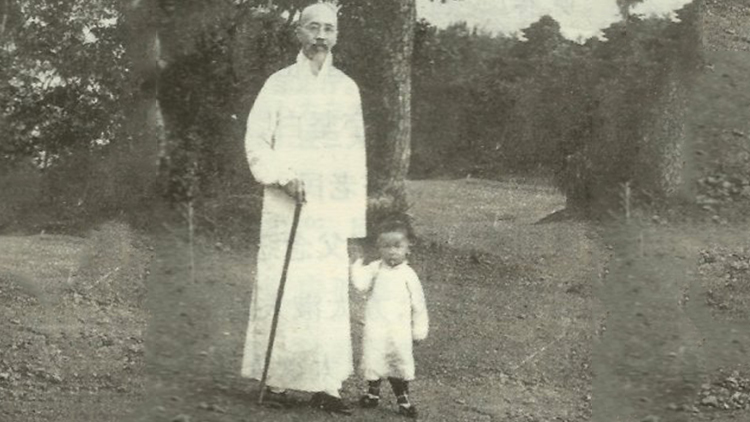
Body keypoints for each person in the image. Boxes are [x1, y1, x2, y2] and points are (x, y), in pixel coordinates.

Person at [240, 2, 366, 415]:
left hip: (328, 208)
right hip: (285, 205)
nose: (320, 36)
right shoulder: (278, 84)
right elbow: (257, 140)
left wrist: (351, 220)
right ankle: (276, 380)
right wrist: (281, 176)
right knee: (283, 283)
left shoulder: (346, 88)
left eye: (328, 29)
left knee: (325, 291)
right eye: (313, 28)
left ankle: (326, 385)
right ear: (299, 33)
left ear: (337, 36)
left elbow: (355, 158)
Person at [350, 219, 429, 419]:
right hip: (376, 326)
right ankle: (372, 394)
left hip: (398, 330)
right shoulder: (376, 268)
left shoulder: (408, 275)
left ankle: (403, 401)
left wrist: (419, 330)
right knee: (374, 359)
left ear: (408, 248)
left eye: (397, 246)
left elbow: (418, 305)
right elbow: (360, 284)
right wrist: (356, 264)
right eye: (386, 246)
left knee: (398, 362)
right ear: (379, 248)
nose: (392, 252)